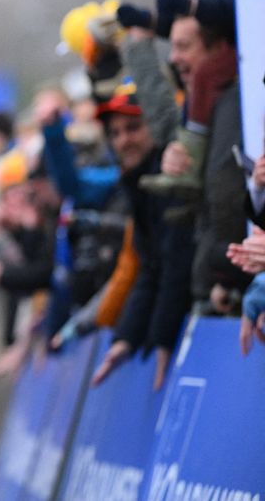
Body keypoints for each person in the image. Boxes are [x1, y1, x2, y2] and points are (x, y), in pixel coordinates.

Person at [116, 0, 236, 198]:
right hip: (218, 47)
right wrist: (146, 21)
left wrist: (189, 4)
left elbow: (233, 7)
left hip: (236, 51)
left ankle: (191, 164)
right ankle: (187, 164)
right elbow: (191, 25)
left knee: (205, 75)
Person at [88, 83, 195, 391]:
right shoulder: (137, 183)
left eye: (133, 127)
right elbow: (149, 266)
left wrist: (162, 339)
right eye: (115, 133)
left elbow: (177, 263)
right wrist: (126, 338)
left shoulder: (168, 176)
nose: (124, 140)